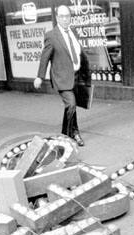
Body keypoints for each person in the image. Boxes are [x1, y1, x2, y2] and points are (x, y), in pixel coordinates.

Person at [34, 5, 91, 147]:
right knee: (71, 104)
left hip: (76, 77)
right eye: (62, 16)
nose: (65, 19)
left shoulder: (74, 32)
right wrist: (40, 76)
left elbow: (78, 53)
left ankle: (74, 132)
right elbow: (44, 57)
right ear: (58, 17)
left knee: (72, 106)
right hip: (61, 78)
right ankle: (65, 136)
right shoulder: (51, 36)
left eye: (68, 16)